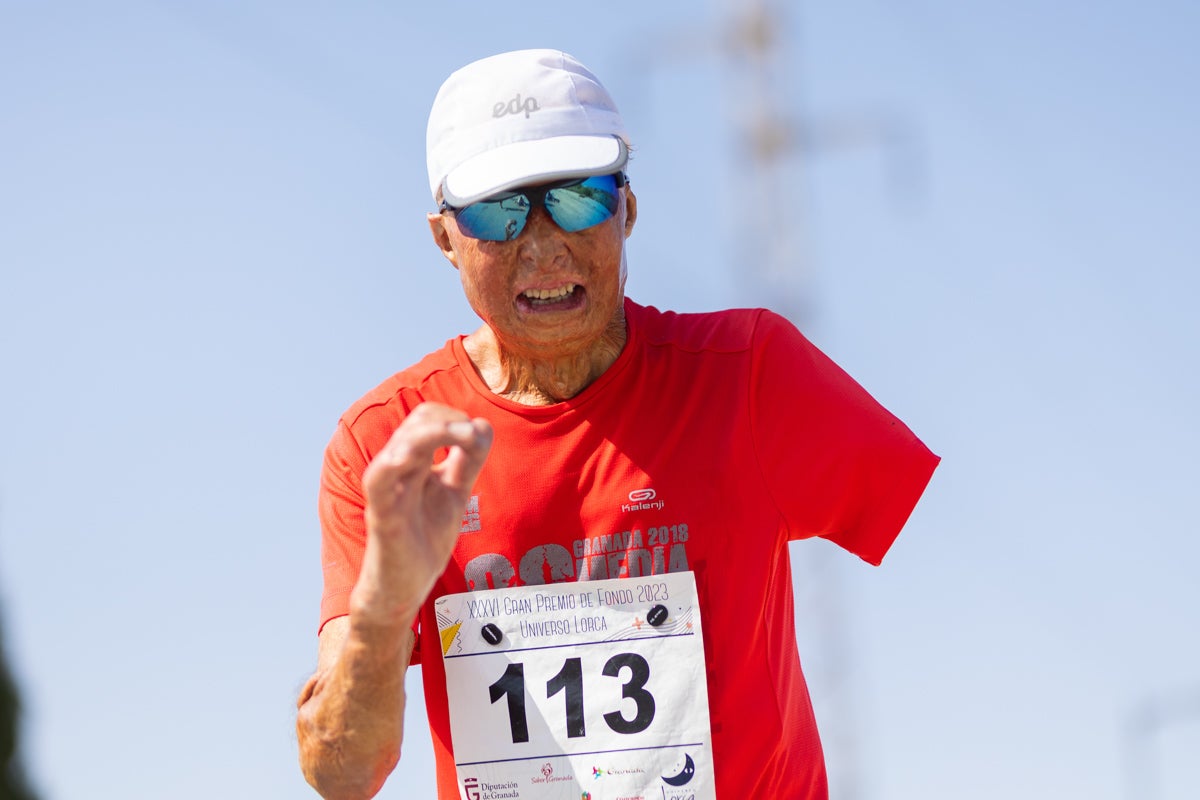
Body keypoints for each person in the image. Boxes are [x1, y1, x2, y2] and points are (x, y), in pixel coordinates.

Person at [296, 49, 939, 800]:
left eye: (577, 199)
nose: (542, 244)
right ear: (444, 237)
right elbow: (342, 774)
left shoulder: (749, 375)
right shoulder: (388, 449)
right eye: (499, 213)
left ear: (628, 208)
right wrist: (382, 605)